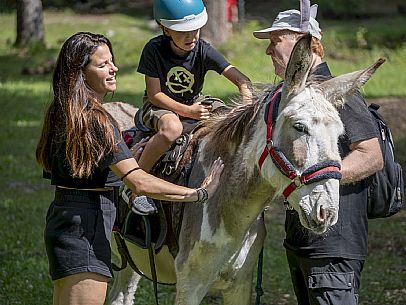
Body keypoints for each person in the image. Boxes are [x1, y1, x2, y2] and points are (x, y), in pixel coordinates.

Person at [35, 32, 224, 305]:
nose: (113, 69)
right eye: (102, 65)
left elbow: (76, 172)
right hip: (87, 228)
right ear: (80, 73)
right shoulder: (98, 121)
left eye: (111, 61)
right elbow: (140, 184)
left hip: (65, 219)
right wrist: (198, 193)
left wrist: (120, 162)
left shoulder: (63, 112)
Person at [253, 4, 383, 305]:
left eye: (276, 42)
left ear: (303, 44)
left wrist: (318, 179)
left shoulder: (331, 94)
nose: (268, 51)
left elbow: (371, 154)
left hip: (334, 244)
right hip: (304, 239)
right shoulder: (299, 95)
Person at [136, 0, 252, 174]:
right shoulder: (153, 50)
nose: (191, 37)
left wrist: (246, 106)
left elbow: (242, 80)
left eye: (195, 29)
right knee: (172, 129)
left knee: (228, 120)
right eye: (182, 32)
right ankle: (137, 177)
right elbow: (154, 95)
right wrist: (188, 112)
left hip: (194, 100)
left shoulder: (203, 50)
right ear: (165, 29)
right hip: (158, 105)